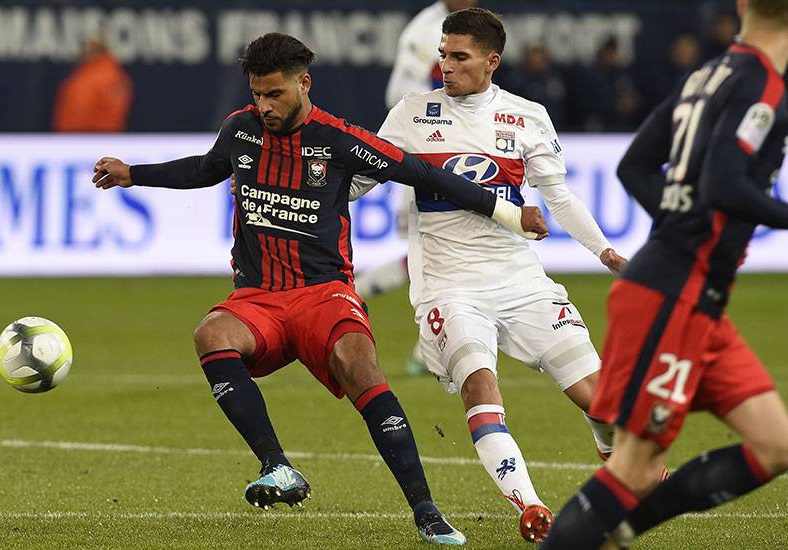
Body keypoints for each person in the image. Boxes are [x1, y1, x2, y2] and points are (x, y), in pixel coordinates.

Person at [92, 32, 548, 545]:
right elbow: (204, 169)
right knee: (211, 333)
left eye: (275, 94)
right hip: (258, 297)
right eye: (257, 94)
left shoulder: (339, 140)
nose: (263, 106)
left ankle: (426, 510)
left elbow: (423, 172)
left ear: (303, 83)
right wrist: (134, 173)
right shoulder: (240, 131)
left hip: (324, 294)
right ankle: (277, 466)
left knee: (361, 367)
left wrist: (510, 213)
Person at [351, 7, 628, 543]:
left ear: (491, 61)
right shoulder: (411, 113)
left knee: (601, 401)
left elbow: (559, 198)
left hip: (521, 280)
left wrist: (605, 251)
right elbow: (361, 182)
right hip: (448, 287)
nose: (446, 67)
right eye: (442, 56)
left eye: (459, 57)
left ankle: (615, 456)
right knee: (480, 385)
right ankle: (529, 505)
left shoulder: (527, 116)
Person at [542, 0, 788, 547]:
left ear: (743, 6)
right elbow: (726, 185)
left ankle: (619, 532)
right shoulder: (764, 84)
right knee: (634, 465)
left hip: (695, 295)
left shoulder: (706, 73)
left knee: (774, 444)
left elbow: (634, 165)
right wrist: (693, 226)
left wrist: (680, 217)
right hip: (672, 293)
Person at [358, 0, 477, 376]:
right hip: (425, 152)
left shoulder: (460, 23)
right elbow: (401, 95)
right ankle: (354, 296)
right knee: (435, 250)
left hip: (445, 148)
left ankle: (425, 350)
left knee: (438, 251)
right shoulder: (427, 29)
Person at [52, 35, 133, 132]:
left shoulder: (110, 77)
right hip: (79, 136)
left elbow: (113, 113)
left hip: (91, 137)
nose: (82, 53)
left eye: (87, 49)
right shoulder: (86, 73)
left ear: (97, 50)